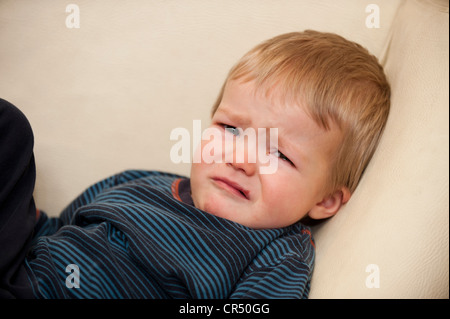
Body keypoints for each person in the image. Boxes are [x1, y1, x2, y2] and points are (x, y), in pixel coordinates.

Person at [0, 30, 390, 299]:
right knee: (9, 125)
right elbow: (57, 230)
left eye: (279, 154)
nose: (239, 159)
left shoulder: (279, 250)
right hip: (22, 270)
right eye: (230, 128)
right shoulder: (140, 182)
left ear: (325, 201)